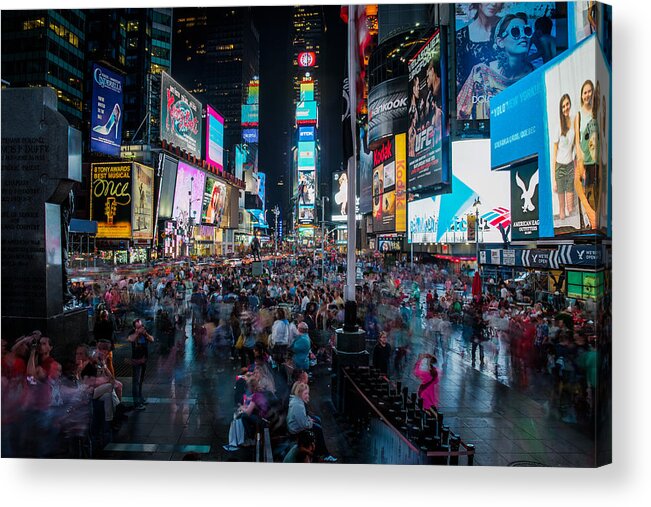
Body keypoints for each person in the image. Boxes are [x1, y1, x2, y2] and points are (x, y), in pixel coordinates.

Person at [457, 12, 535, 120]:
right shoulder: (480, 73)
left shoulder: (536, 75)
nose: (523, 36)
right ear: (500, 42)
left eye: (527, 31)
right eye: (515, 32)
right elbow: (459, 112)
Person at [455, 3, 505, 90]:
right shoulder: (460, 36)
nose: (493, 3)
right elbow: (458, 79)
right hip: (471, 99)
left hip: (506, 97)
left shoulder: (510, 29)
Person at [286, 382, 336, 462]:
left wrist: (309, 419)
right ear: (299, 393)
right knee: (318, 429)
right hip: (296, 430)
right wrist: (310, 421)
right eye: (305, 393)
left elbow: (303, 417)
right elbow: (304, 424)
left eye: (307, 393)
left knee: (317, 420)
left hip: (298, 426)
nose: (307, 396)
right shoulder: (298, 405)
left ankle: (322, 453)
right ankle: (324, 454)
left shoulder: (298, 401)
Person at [574, 79, 599, 230]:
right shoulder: (579, 115)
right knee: (580, 185)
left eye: (590, 91)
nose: (587, 94)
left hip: (597, 158)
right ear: (581, 95)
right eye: (585, 92)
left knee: (596, 192)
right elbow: (577, 140)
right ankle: (591, 216)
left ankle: (596, 219)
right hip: (584, 159)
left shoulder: (597, 112)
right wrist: (581, 158)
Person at [552, 93, 576, 222]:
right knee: (562, 210)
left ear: (570, 104)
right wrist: (554, 178)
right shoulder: (558, 127)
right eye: (563, 106)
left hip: (570, 165)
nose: (566, 108)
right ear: (560, 109)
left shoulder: (574, 122)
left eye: (567, 104)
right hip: (560, 167)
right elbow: (554, 153)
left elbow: (575, 144)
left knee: (570, 206)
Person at [127, 319, 154, 410]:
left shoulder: (145, 333)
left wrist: (145, 334)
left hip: (144, 359)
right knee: (136, 382)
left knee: (141, 381)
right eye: (138, 327)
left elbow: (152, 339)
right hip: (136, 360)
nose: (141, 328)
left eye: (141, 326)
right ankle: (136, 402)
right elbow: (130, 339)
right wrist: (137, 333)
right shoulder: (132, 332)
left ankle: (140, 398)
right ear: (135, 327)